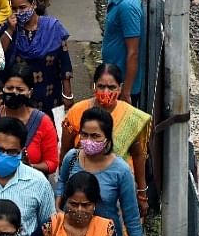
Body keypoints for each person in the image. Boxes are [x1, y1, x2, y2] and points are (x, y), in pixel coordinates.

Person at [55, 108, 147, 236]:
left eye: (95, 136)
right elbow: (61, 183)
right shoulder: (71, 158)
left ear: (107, 137)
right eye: (84, 135)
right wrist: (58, 207)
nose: (88, 140)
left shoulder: (121, 170)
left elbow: (131, 215)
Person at [60, 65, 150, 216]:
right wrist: (62, 188)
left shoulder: (132, 117)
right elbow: (65, 152)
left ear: (120, 88)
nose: (106, 92)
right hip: (81, 188)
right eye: (101, 86)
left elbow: (138, 155)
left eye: (111, 87)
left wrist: (142, 193)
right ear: (93, 86)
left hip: (119, 187)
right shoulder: (77, 112)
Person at [0, 64, 60, 175]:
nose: (14, 93)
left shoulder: (42, 122)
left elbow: (52, 163)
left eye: (20, 89)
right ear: (3, 89)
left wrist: (29, 167)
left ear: (29, 93)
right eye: (9, 88)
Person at [27, 173, 124, 236]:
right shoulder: (50, 226)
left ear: (95, 203)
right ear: (66, 201)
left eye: (86, 205)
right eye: (74, 204)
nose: (79, 210)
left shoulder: (105, 230)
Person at [3, 0, 73, 114]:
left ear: (33, 4)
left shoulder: (52, 27)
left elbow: (64, 64)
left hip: (50, 94)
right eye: (14, 9)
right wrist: (10, 30)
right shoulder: (10, 27)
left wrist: (67, 94)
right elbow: (0, 56)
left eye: (22, 7)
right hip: (19, 94)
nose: (18, 12)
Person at [100, 0, 143, 102]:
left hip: (120, 86)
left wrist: (126, 92)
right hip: (111, 79)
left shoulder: (128, 6)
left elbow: (133, 52)